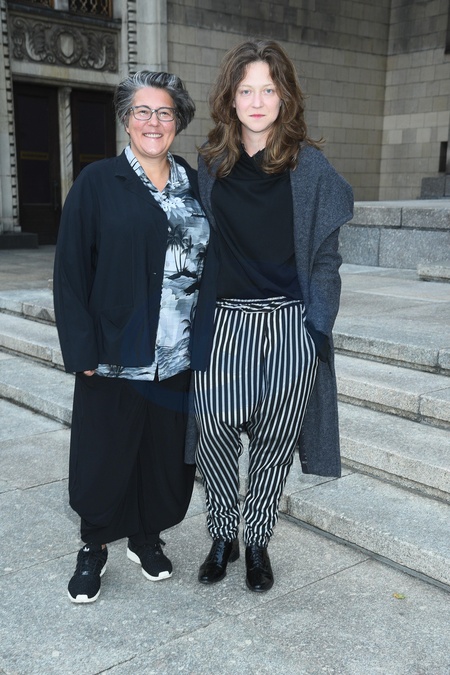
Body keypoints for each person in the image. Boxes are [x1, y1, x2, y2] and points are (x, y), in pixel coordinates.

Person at [189, 39, 353, 592]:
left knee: (275, 439)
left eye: (268, 89)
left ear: (284, 97)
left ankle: (256, 539)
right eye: (246, 90)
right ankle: (222, 533)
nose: (257, 101)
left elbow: (326, 259)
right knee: (214, 430)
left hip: (288, 322)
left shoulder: (310, 168)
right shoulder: (210, 164)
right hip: (225, 321)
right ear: (230, 98)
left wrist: (317, 327)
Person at [53, 71, 209, 603]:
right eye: (143, 111)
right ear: (126, 119)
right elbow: (71, 270)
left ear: (178, 121)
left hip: (179, 354)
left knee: (162, 455)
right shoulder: (98, 182)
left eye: (165, 112)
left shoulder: (196, 184)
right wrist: (81, 348)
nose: (153, 122)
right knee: (105, 455)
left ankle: (145, 537)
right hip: (114, 351)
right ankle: (93, 545)